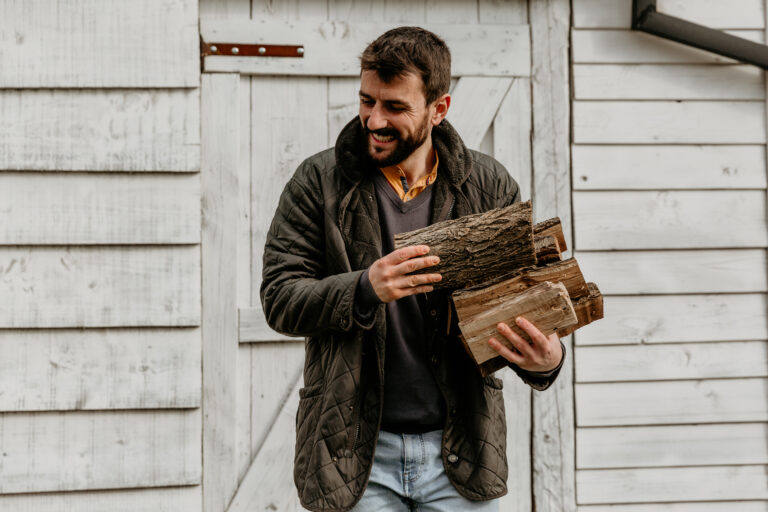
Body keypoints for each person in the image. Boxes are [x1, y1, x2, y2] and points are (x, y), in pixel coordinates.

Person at [261, 26, 565, 512]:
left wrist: (546, 363)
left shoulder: (489, 186)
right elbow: (279, 298)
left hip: (463, 453)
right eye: (366, 101)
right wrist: (364, 288)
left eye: (395, 108)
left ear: (439, 108)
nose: (373, 120)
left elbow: (518, 303)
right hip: (353, 458)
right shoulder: (317, 182)